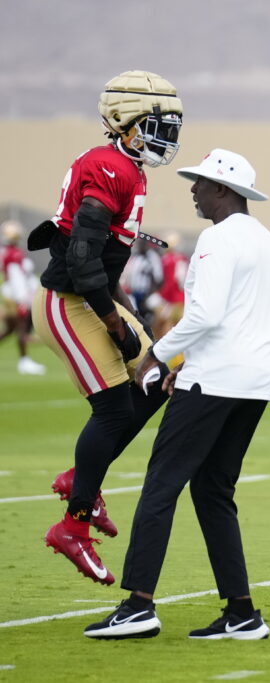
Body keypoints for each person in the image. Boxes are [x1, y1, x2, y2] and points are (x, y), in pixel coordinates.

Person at [84, 149, 270, 640]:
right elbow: (268, 318)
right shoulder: (266, 240)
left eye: (199, 183)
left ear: (222, 189)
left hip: (216, 378)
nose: (193, 189)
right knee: (214, 490)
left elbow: (206, 315)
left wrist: (159, 357)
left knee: (161, 485)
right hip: (256, 380)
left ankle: (139, 605)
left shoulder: (217, 238)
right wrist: (190, 363)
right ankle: (242, 613)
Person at [29, 70, 182, 584]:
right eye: (157, 125)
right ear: (126, 121)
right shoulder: (109, 166)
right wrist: (115, 322)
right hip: (67, 301)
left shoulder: (129, 168)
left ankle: (81, 478)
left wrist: (128, 315)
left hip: (93, 296)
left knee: (160, 374)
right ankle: (72, 526)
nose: (166, 135)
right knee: (115, 409)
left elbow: (102, 262)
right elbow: (80, 255)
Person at [0, 220, 47, 375]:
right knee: (20, 328)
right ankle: (24, 361)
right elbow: (16, 278)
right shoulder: (13, 254)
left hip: (12, 293)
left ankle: (25, 361)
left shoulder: (8, 252)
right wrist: (22, 299)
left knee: (10, 329)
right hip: (15, 295)